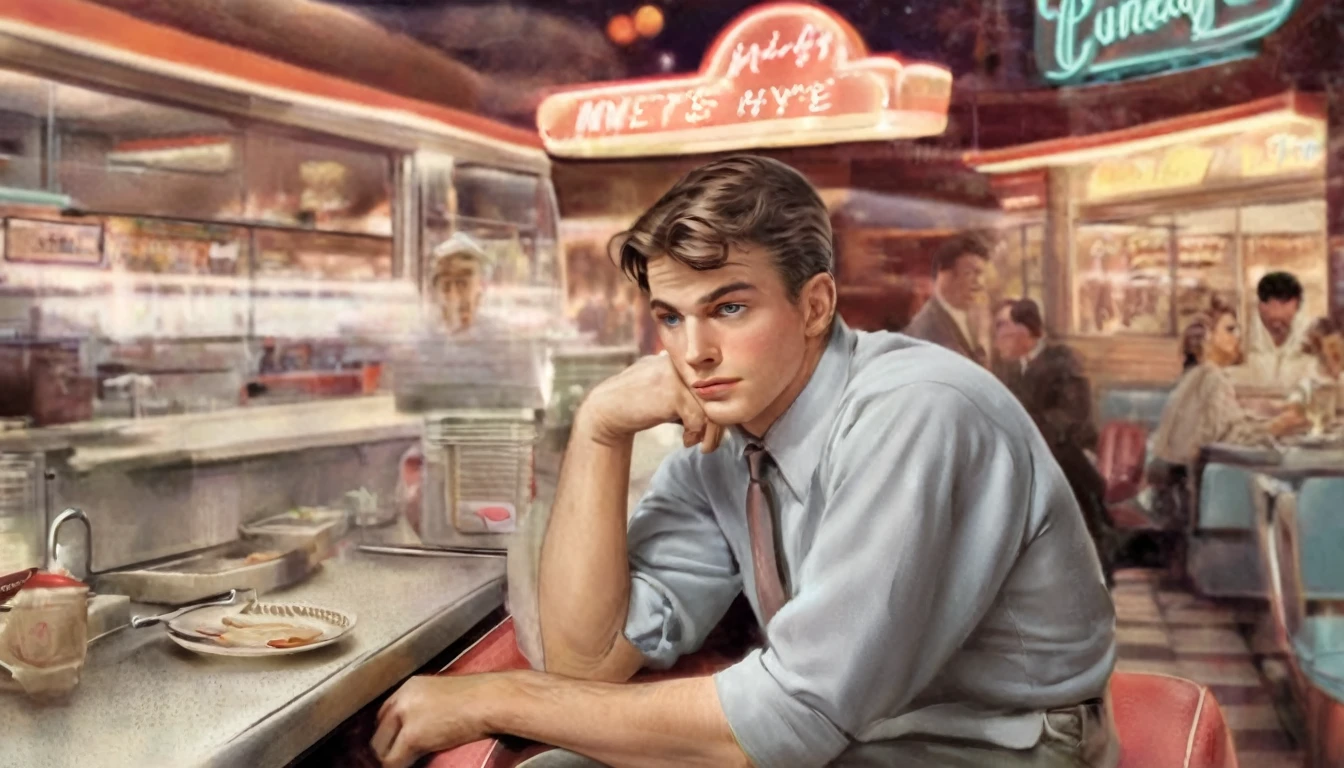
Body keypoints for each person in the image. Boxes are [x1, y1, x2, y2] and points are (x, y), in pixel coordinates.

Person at [372, 156, 1118, 768]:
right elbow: (587, 661)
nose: (693, 352)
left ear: (816, 305)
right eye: (670, 317)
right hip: (869, 731)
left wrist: (499, 698)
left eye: (729, 308)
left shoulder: (915, 410)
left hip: (998, 743)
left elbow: (795, 719)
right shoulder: (730, 442)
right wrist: (602, 431)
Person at [993, 298, 1118, 585]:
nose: (998, 337)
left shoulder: (1062, 362)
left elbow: (1071, 419)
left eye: (1004, 328)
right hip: (1037, 455)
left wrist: (1026, 435)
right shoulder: (1011, 370)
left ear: (1026, 330)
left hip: (1069, 455)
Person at [903, 232, 990, 365]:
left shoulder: (975, 318)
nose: (979, 283)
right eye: (970, 274)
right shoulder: (926, 328)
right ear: (944, 276)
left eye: (981, 275)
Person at [1231, 271, 1313, 387]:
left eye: (1283, 304)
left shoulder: (1312, 344)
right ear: (1259, 305)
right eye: (1269, 304)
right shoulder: (1241, 343)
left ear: (1297, 306)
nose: (1276, 313)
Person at [1276, 316, 1344, 433]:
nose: (1337, 351)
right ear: (1318, 351)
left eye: (1340, 345)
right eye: (1331, 346)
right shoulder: (1309, 377)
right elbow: (1296, 400)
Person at [428, 232, 489, 334]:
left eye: (462, 283)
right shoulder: (428, 334)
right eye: (446, 285)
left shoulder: (490, 334)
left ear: (480, 285)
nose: (453, 295)